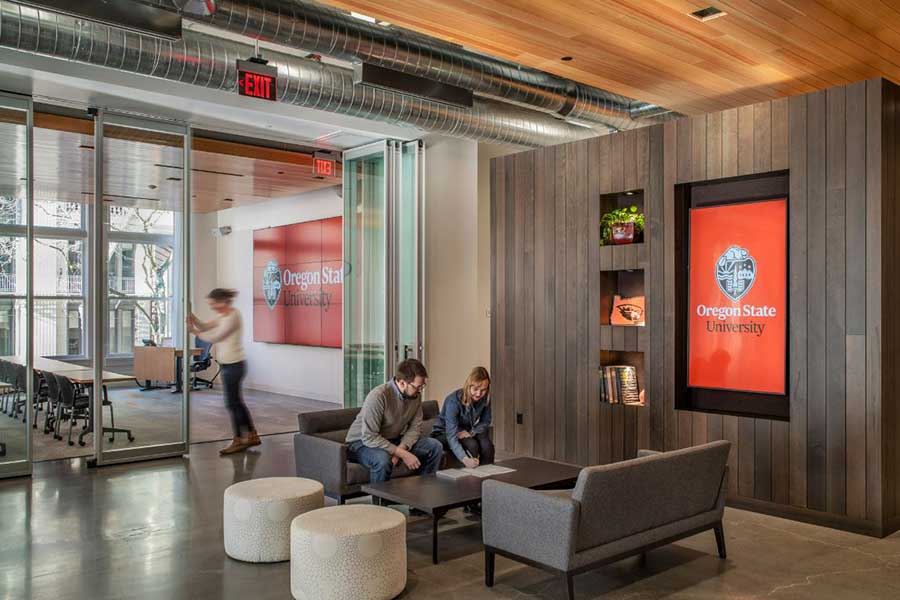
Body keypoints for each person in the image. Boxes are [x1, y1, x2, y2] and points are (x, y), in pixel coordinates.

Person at [345, 358, 443, 483]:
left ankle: (422, 494)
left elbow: (415, 428)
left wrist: (399, 451)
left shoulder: (415, 396)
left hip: (391, 439)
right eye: (417, 387)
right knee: (382, 460)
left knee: (434, 446)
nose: (420, 391)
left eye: (422, 386)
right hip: (361, 443)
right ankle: (379, 502)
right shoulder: (379, 396)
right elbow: (369, 436)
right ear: (402, 383)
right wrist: (403, 454)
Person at [187, 288, 260, 455]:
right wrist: (194, 319)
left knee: (232, 403)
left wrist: (194, 331)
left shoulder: (233, 316)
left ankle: (239, 439)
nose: (213, 307)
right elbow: (206, 326)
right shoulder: (223, 316)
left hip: (235, 366)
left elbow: (216, 337)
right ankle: (251, 435)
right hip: (229, 365)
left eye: (214, 304)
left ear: (223, 302)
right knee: (237, 403)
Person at [431, 366, 494, 468]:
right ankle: (469, 478)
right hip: (443, 433)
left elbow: (486, 421)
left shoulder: (485, 397)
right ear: (468, 386)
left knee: (487, 446)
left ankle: (488, 478)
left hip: (466, 430)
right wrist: (465, 459)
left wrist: (471, 432)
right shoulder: (453, 401)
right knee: (471, 445)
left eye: (483, 390)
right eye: (476, 389)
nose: (479, 394)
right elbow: (451, 435)